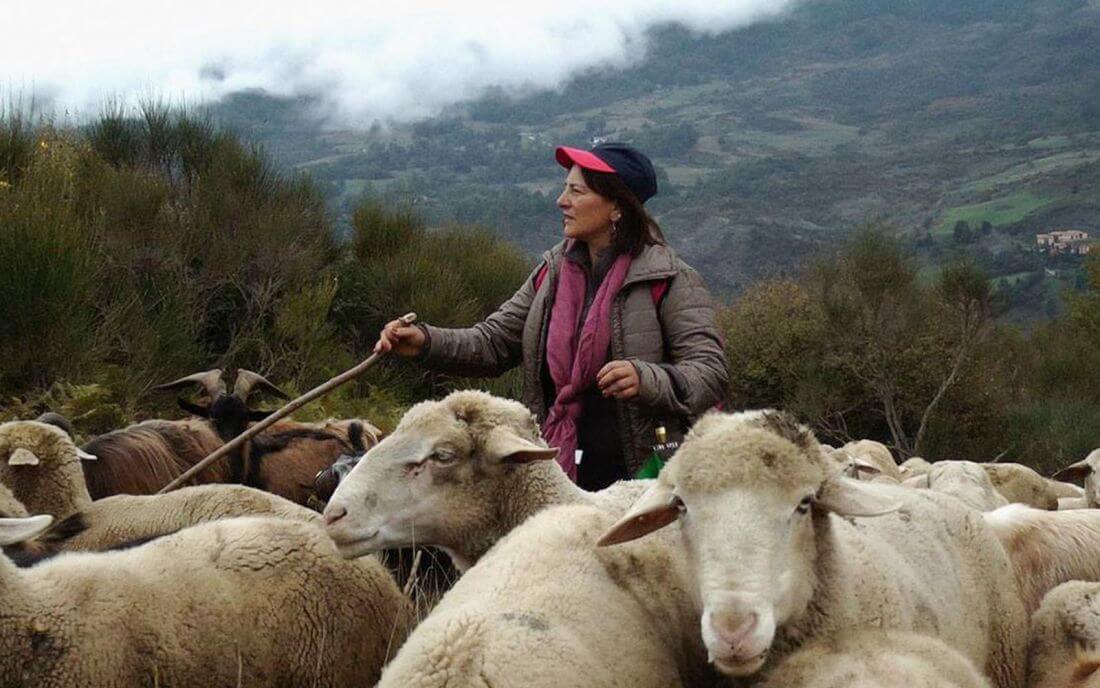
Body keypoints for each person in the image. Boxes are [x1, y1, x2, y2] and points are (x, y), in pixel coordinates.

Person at [375, 142, 729, 491]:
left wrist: (646, 378)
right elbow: (493, 343)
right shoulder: (552, 274)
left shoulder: (670, 279)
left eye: (576, 191)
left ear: (617, 208)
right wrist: (425, 341)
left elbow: (710, 373)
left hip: (642, 481)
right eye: (565, 189)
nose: (562, 201)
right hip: (561, 473)